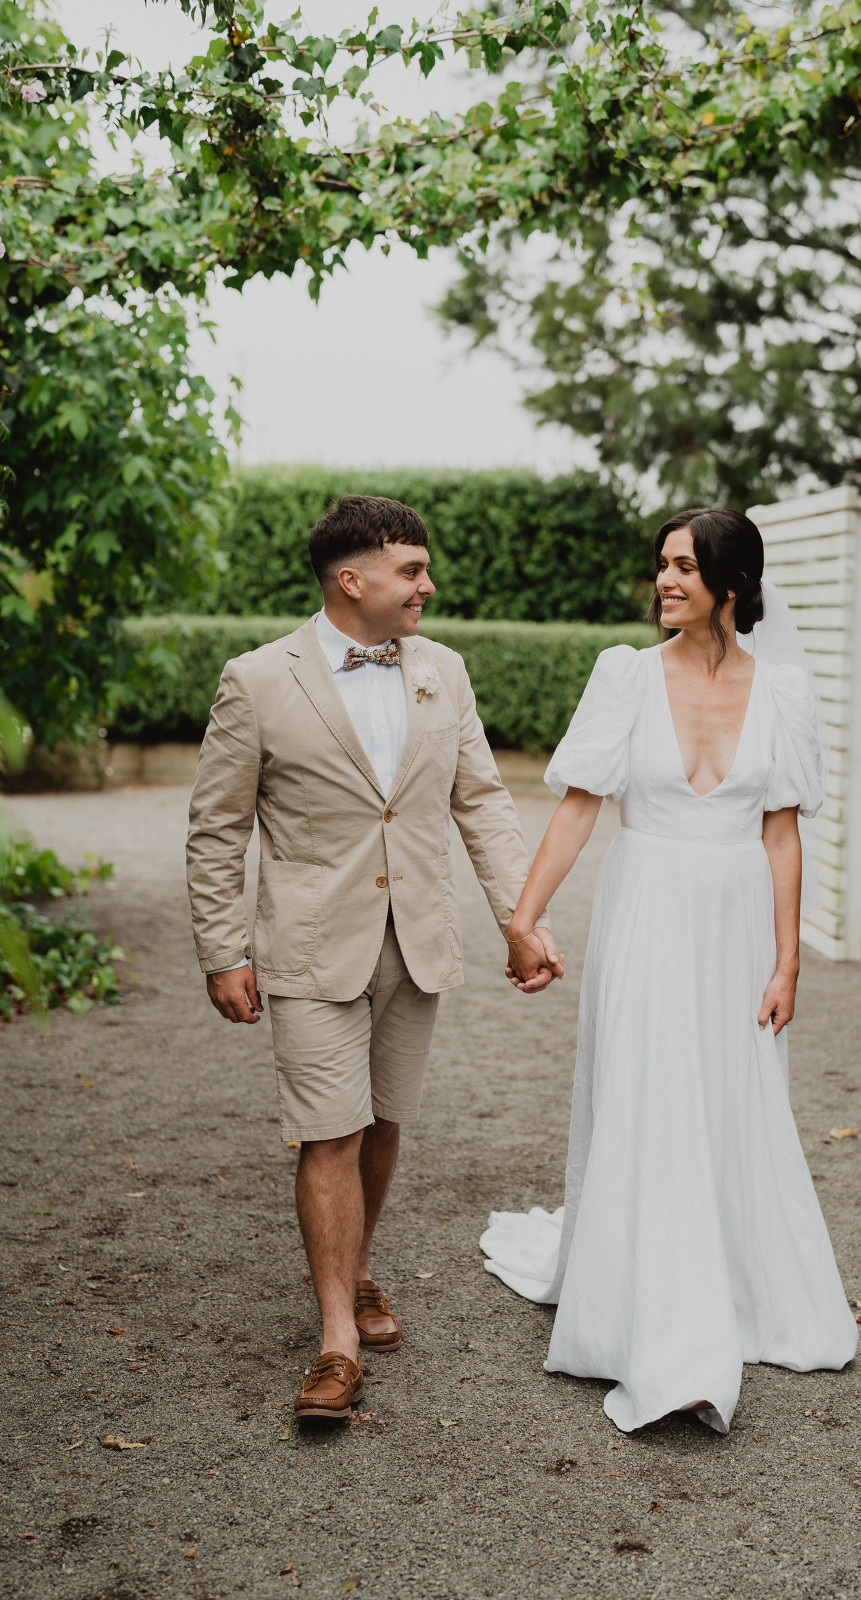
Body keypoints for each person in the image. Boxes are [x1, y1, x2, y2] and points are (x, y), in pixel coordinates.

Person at [186, 495, 560, 1423]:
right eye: (411, 570)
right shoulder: (256, 680)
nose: (427, 585)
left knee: (384, 1122)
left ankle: (356, 1269)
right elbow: (218, 827)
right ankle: (335, 1343)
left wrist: (520, 919)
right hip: (311, 945)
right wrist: (223, 949)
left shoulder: (443, 670)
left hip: (417, 939)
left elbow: (481, 802)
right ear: (351, 580)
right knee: (330, 1133)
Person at [486, 507, 859, 1434]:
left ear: (732, 584)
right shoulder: (624, 675)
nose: (664, 580)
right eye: (661, 563)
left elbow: (781, 833)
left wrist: (787, 963)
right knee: (647, 1092)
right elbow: (579, 808)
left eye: (685, 567)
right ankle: (653, 1319)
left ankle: (734, 1284)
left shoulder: (783, 693)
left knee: (729, 1097)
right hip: (645, 913)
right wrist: (523, 916)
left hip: (735, 925)